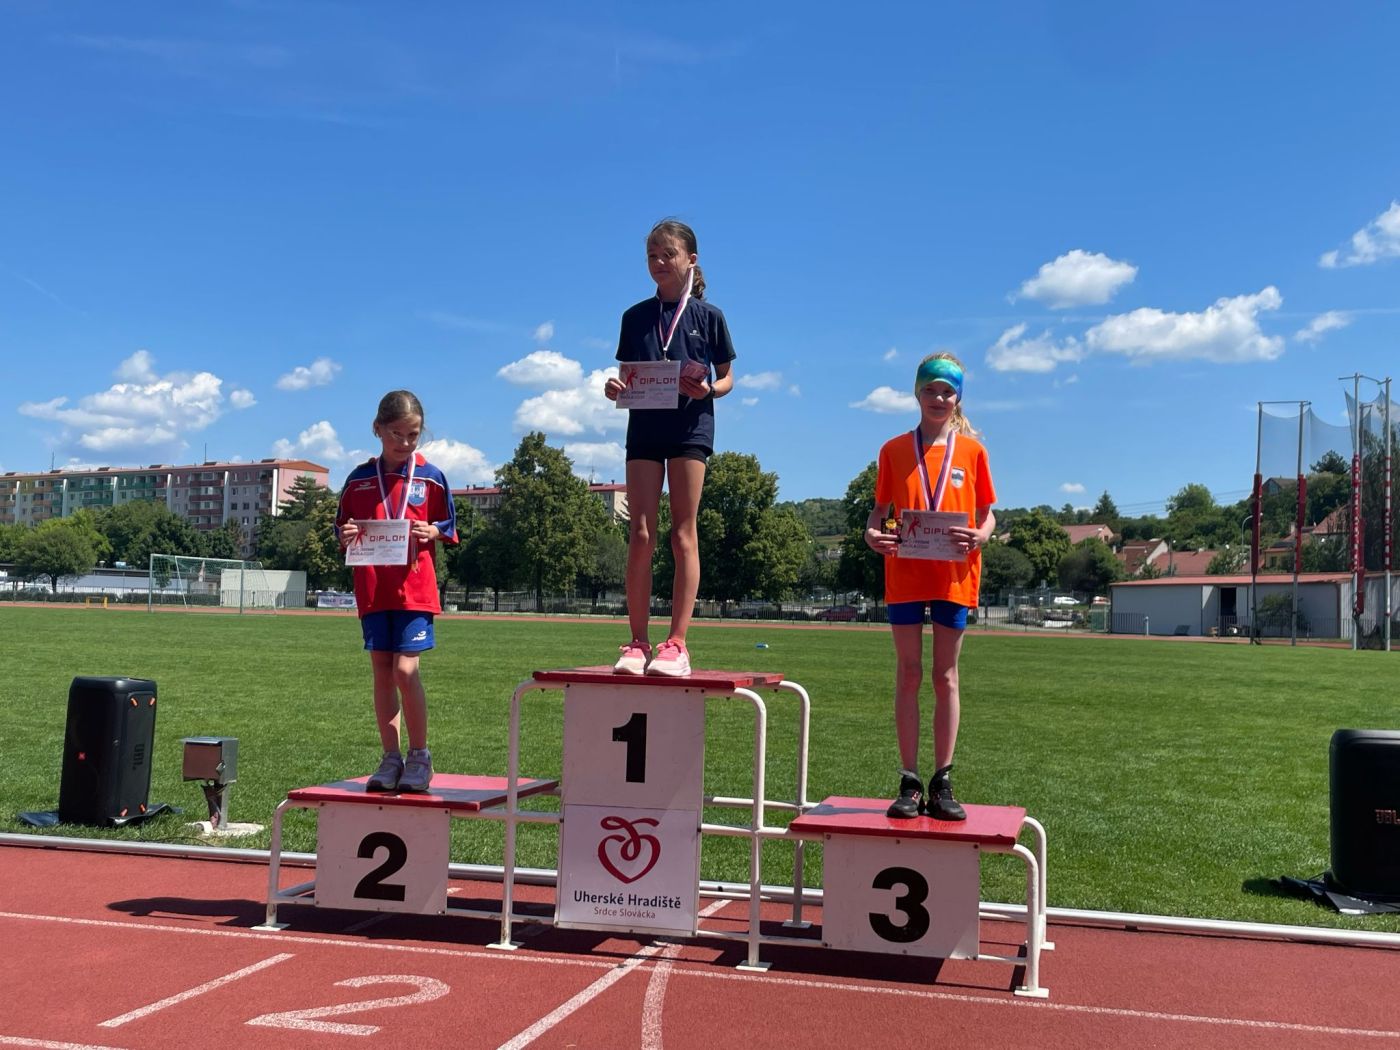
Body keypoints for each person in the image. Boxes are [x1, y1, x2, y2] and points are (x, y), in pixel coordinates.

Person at [864, 353, 996, 820]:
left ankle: (942, 780)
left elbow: (988, 514)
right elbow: (878, 513)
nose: (938, 398)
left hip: (954, 575)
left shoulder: (973, 452)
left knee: (945, 676)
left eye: (947, 391)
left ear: (958, 398)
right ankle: (909, 779)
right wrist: (871, 535)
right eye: (930, 390)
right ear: (917, 393)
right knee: (908, 673)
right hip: (905, 572)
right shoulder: (893, 450)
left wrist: (981, 536)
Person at [603, 219, 736, 676]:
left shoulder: (709, 317)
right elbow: (629, 374)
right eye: (652, 256)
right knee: (640, 533)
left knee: (683, 532)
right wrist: (615, 387)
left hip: (690, 427)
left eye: (668, 254)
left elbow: (728, 377)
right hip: (644, 427)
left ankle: (677, 643)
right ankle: (637, 642)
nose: (658, 262)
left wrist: (711, 390)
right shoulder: (634, 317)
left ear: (691, 259)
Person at [336, 390, 458, 793]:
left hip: (414, 587)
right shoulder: (358, 479)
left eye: (413, 434)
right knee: (382, 674)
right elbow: (341, 526)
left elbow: (448, 524)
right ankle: (391, 757)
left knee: (406, 671)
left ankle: (420, 755)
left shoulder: (431, 477)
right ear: (378, 429)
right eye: (396, 434)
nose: (405, 443)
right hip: (373, 588)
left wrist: (433, 531)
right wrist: (345, 534)